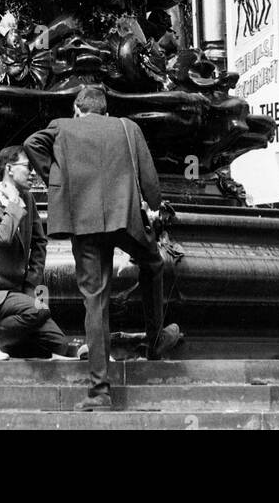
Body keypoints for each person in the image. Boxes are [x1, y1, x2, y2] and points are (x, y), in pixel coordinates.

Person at [24, 86, 182, 411]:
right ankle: (155, 340)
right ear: (105, 110)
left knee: (95, 302)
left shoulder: (62, 126)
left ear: (77, 109)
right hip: (126, 220)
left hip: (83, 222)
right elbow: (150, 181)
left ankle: (99, 392)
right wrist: (154, 204)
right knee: (152, 264)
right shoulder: (127, 126)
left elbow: (31, 144)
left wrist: (57, 178)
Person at [0, 145, 81, 363]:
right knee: (38, 313)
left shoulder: (28, 199)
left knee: (58, 339)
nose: (33, 173)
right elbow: (2, 236)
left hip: (20, 291)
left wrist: (33, 284)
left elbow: (40, 242)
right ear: (9, 169)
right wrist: (14, 204)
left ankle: (7, 341)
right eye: (28, 167)